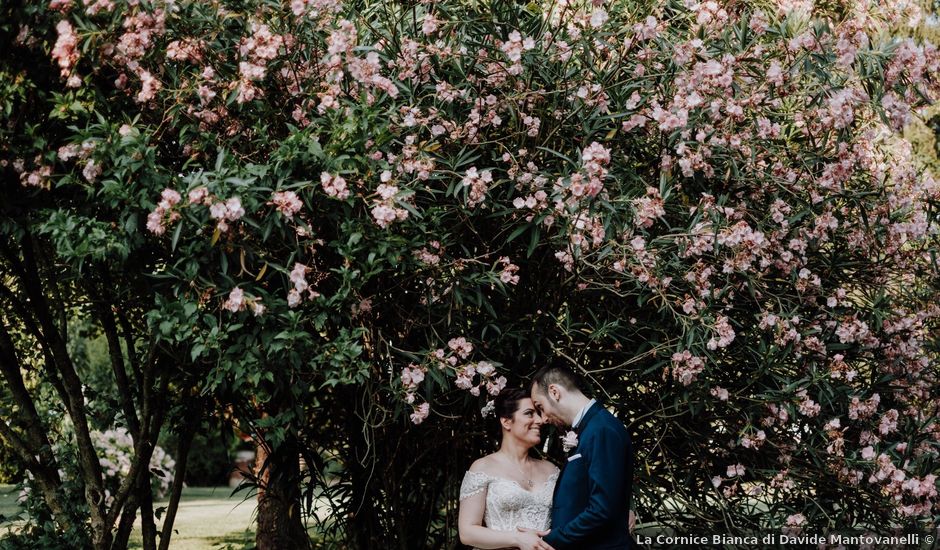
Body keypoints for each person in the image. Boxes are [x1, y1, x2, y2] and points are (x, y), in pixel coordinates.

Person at [526, 361, 634, 549]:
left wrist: (551, 541)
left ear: (554, 392)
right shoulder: (590, 428)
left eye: (540, 407)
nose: (543, 418)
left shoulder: (601, 429)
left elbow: (602, 510)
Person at [458, 387, 560, 550]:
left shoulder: (552, 470)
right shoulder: (483, 467)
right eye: (529, 413)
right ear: (506, 421)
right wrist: (517, 539)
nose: (540, 421)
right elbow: (467, 532)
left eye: (538, 414)